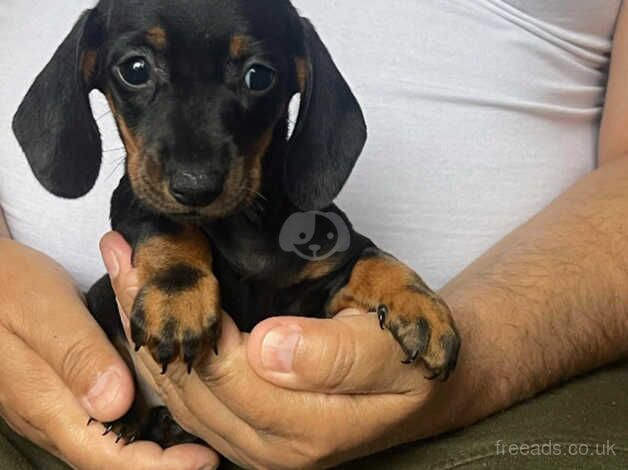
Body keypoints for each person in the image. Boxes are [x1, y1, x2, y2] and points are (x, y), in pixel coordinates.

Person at [1, 0, 627, 468]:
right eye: (137, 70)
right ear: (91, 72)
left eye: (255, 78)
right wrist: (172, 263)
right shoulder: (150, 214)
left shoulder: (302, 227)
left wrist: (415, 305)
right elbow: (149, 224)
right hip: (60, 397)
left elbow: (346, 256)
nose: (193, 175)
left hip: (491, 408)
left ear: (302, 83)